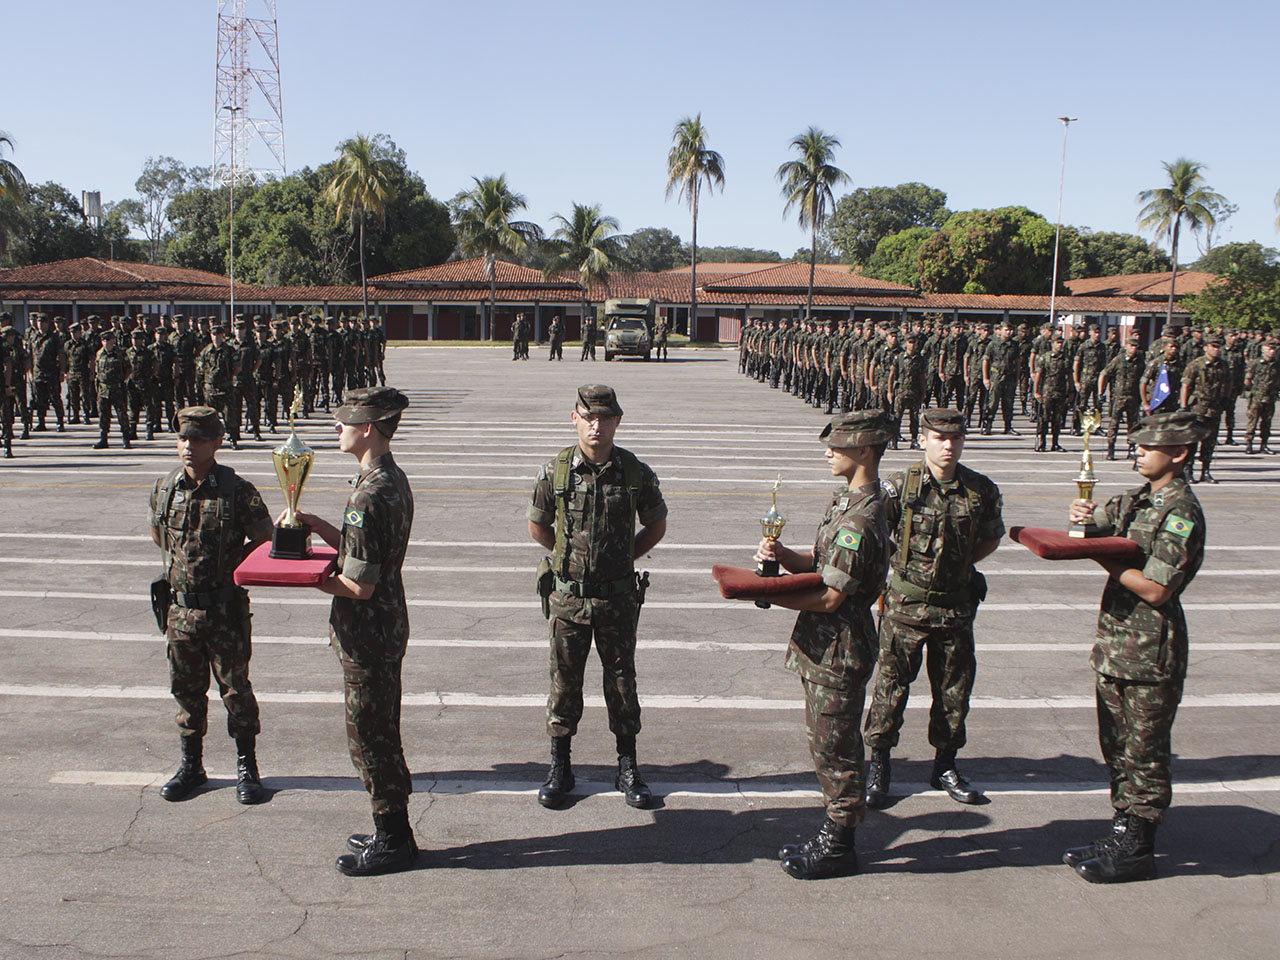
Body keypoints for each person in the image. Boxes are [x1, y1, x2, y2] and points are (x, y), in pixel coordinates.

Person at [1064, 409, 1210, 883]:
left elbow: (1156, 589)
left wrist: (1102, 557)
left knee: (1145, 753)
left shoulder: (1180, 512)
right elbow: (1099, 523)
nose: (1139, 452)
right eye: (1138, 445)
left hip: (1152, 651)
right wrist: (1084, 519)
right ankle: (1121, 831)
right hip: (1117, 645)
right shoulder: (1138, 500)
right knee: (1117, 747)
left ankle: (1138, 849)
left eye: (1149, 446)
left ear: (1180, 454)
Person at [756, 411, 892, 880]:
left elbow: (831, 596)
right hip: (823, 647)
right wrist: (780, 556)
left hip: (840, 648)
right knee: (825, 745)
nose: (828, 451)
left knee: (838, 750)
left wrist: (767, 593)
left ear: (865, 451)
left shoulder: (864, 516)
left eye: (838, 444)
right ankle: (833, 833)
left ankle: (840, 846)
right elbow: (819, 563)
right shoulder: (845, 502)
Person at [292, 386, 416, 877]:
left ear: (367, 427)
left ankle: (393, 840)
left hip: (368, 633)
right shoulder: (390, 479)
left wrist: (307, 577)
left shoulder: (368, 494)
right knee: (381, 730)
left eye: (344, 421)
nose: (337, 428)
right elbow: (370, 553)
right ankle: (393, 831)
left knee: (371, 736)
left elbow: (358, 586)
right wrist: (324, 528)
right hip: (386, 627)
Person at [527, 384, 667, 809]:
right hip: (569, 599)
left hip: (618, 601)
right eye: (588, 417)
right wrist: (566, 559)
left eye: (605, 418)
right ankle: (560, 766)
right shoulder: (556, 471)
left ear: (617, 422)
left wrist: (625, 557)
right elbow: (538, 526)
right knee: (564, 684)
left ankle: (627, 767)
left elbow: (656, 525)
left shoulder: (635, 472)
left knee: (622, 683)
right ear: (574, 418)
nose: (596, 425)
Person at [863, 408, 1004, 807]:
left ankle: (945, 764)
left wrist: (959, 567)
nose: (948, 446)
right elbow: (874, 532)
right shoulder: (901, 487)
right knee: (891, 688)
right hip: (906, 607)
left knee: (954, 692)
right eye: (939, 438)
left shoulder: (980, 490)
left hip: (956, 609)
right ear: (922, 439)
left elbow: (991, 538)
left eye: (955, 439)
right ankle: (879, 762)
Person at [149, 406, 274, 804]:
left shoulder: (237, 491)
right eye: (184, 438)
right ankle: (191, 766)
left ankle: (247, 768)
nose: (189, 446)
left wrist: (232, 568)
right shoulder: (166, 487)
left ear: (217, 442)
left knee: (236, 691)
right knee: (186, 692)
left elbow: (266, 540)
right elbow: (158, 534)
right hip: (180, 612)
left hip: (224, 611)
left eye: (199, 439)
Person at [1179, 333, 1230, 483]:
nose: (1216, 350)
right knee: (1192, 441)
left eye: (1218, 347)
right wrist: (1183, 405)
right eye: (1213, 347)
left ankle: (1205, 471)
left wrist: (1226, 398)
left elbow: (1228, 382)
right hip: (1198, 408)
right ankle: (1188, 471)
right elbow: (1185, 385)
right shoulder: (1196, 364)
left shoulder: (1223, 365)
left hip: (1214, 408)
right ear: (1206, 348)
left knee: (1210, 442)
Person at [93, 329, 132, 449]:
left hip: (117, 389)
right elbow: (97, 370)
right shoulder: (100, 353)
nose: (105, 342)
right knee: (103, 415)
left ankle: (126, 439)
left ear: (113, 340)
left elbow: (128, 369)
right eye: (103, 340)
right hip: (103, 390)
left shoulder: (120, 353)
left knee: (122, 415)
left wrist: (120, 381)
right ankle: (103, 438)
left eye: (108, 339)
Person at [1244, 337, 1279, 454]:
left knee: (1267, 422)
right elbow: (1248, 380)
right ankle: (1249, 444)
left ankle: (1264, 444)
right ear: (1263, 349)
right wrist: (1252, 391)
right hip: (1256, 398)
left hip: (1270, 397)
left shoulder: (1277, 365)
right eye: (1270, 348)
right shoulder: (1255, 363)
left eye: (1274, 349)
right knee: (1252, 421)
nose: (1272, 351)